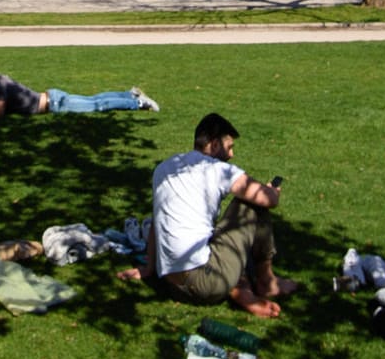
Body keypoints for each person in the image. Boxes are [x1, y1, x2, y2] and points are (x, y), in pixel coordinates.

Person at [118, 113, 296, 318]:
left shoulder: (164, 168)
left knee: (215, 233)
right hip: (205, 283)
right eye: (229, 147)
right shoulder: (218, 170)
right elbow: (268, 200)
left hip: (171, 284)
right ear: (214, 145)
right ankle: (266, 282)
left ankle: (240, 287)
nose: (232, 155)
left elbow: (159, 220)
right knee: (251, 205)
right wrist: (272, 191)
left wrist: (149, 267)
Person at [0, 62, 160, 116]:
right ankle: (129, 94)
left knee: (98, 105)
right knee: (95, 99)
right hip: (53, 98)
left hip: (56, 104)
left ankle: (138, 103)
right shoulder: (3, 78)